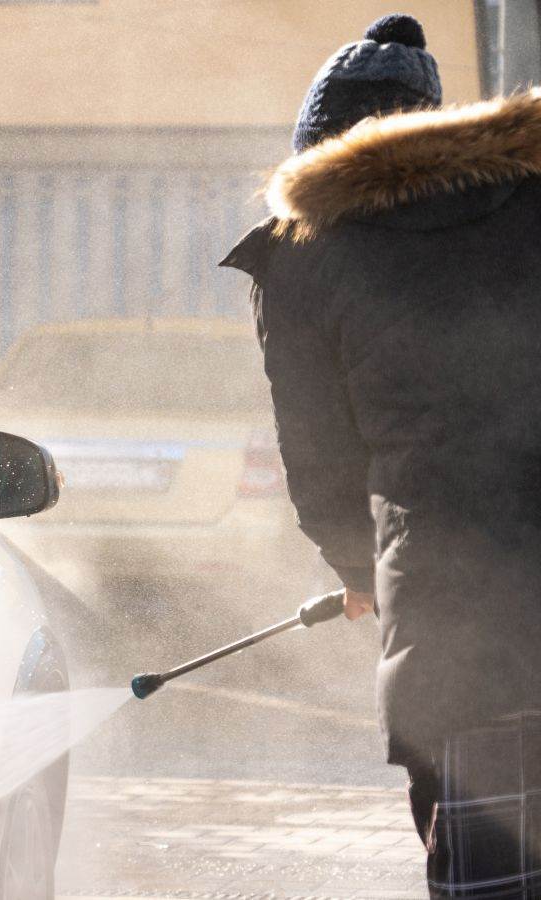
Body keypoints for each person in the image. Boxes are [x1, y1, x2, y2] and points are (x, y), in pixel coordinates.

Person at [221, 13, 541, 897]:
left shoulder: (307, 256)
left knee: (488, 870)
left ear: (318, 147)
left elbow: (319, 458)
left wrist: (358, 567)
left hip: (460, 635)